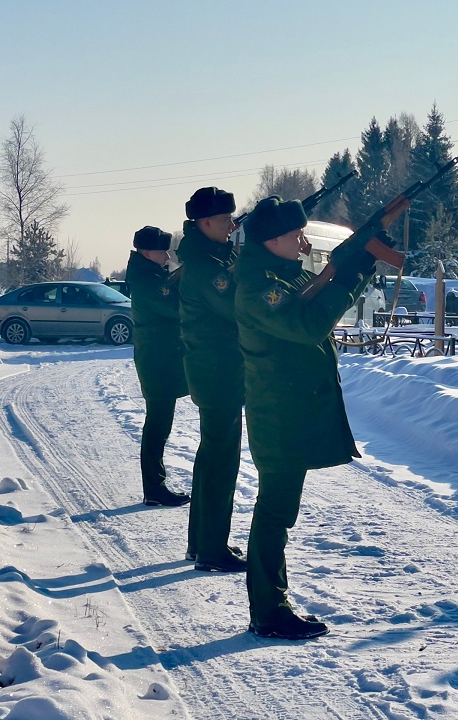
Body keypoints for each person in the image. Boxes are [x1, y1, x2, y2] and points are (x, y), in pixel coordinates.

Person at [235, 196, 376, 640]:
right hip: (279, 414)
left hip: (288, 408)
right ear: (272, 240)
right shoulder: (259, 287)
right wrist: (350, 277)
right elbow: (307, 324)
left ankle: (272, 605)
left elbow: (317, 296)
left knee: (279, 511)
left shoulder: (281, 274)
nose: (303, 241)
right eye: (295, 234)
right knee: (274, 512)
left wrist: (358, 262)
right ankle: (269, 612)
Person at [177, 187, 247, 573]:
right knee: (221, 462)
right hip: (217, 372)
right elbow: (232, 303)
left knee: (211, 458)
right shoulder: (205, 265)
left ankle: (202, 541)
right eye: (224, 219)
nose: (231, 225)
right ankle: (212, 550)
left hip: (217, 370)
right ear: (204, 223)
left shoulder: (212, 256)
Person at [126, 226, 190, 507]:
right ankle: (154, 488)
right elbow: (173, 306)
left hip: (161, 360)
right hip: (157, 362)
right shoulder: (145, 280)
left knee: (159, 425)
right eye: (162, 250)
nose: (166, 255)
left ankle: (155, 486)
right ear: (146, 252)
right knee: (157, 426)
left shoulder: (149, 275)